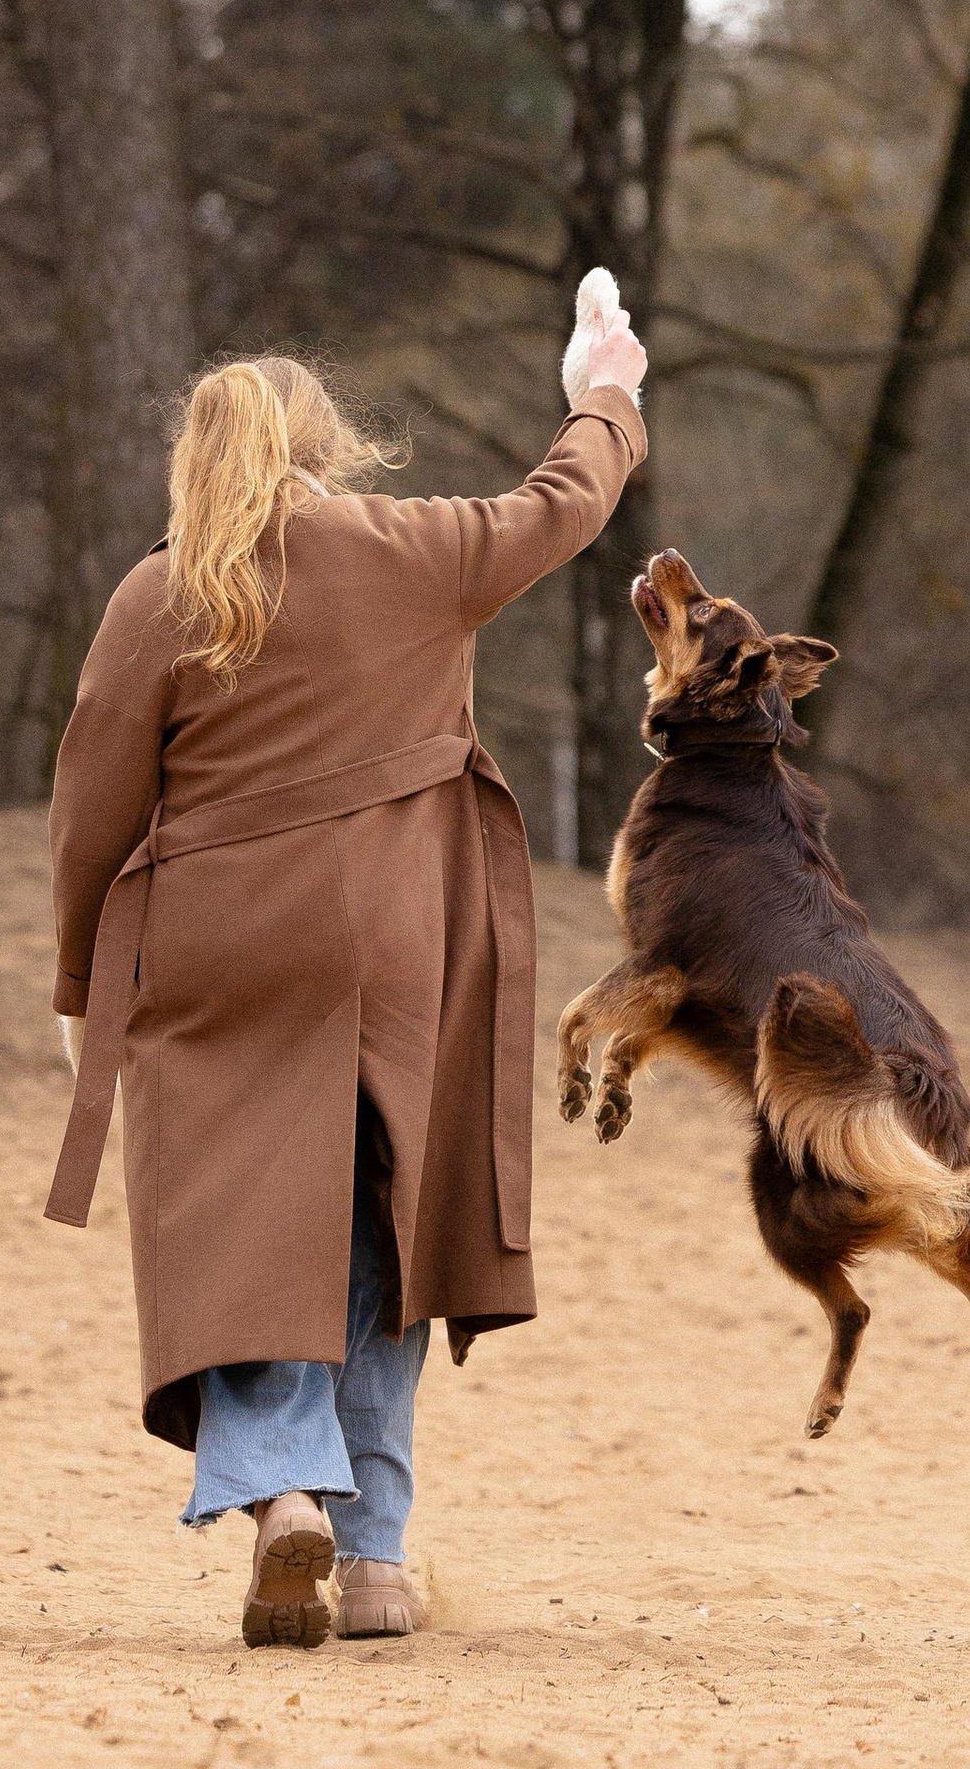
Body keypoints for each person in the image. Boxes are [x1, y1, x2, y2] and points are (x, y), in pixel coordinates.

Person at [43, 307, 649, 1647]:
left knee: (241, 1228)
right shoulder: (416, 550)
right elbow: (566, 502)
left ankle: (280, 1493)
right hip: (397, 940)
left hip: (219, 949)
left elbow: (92, 810)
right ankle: (373, 1558)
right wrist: (606, 391)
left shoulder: (160, 595)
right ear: (329, 449)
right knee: (387, 1221)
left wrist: (85, 981)